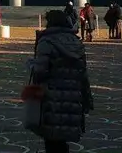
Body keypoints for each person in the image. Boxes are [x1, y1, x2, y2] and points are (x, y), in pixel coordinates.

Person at [29, 9, 94, 153]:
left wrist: (32, 64)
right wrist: (87, 98)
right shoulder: (76, 43)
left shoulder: (46, 41)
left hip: (52, 96)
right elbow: (83, 73)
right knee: (62, 139)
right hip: (73, 96)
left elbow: (40, 72)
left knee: (52, 139)